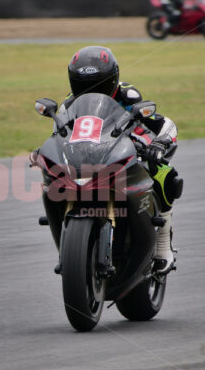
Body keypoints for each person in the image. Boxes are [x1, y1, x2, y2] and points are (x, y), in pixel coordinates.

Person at [31, 46, 181, 274]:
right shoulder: (68, 105)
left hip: (127, 150)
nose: (90, 89)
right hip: (89, 158)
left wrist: (158, 143)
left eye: (99, 83)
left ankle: (163, 247)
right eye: (81, 83)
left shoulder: (128, 96)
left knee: (163, 173)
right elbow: (60, 135)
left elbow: (163, 123)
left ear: (113, 79)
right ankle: (70, 240)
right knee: (52, 180)